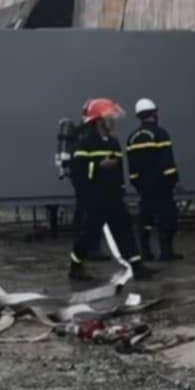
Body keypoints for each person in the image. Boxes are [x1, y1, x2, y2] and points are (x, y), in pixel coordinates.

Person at [68, 98, 150, 282]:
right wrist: (98, 166)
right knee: (89, 233)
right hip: (94, 198)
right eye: (109, 118)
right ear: (97, 121)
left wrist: (121, 188)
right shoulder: (85, 144)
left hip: (113, 196)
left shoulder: (113, 143)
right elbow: (78, 173)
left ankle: (137, 265)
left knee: (124, 229)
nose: (113, 122)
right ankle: (76, 265)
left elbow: (119, 168)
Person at [126, 98, 182, 262]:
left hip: (144, 186)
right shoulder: (160, 134)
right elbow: (167, 161)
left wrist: (136, 182)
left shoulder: (132, 137)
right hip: (162, 185)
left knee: (146, 218)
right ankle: (166, 252)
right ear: (153, 113)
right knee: (167, 217)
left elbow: (132, 165)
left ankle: (145, 252)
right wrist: (173, 179)